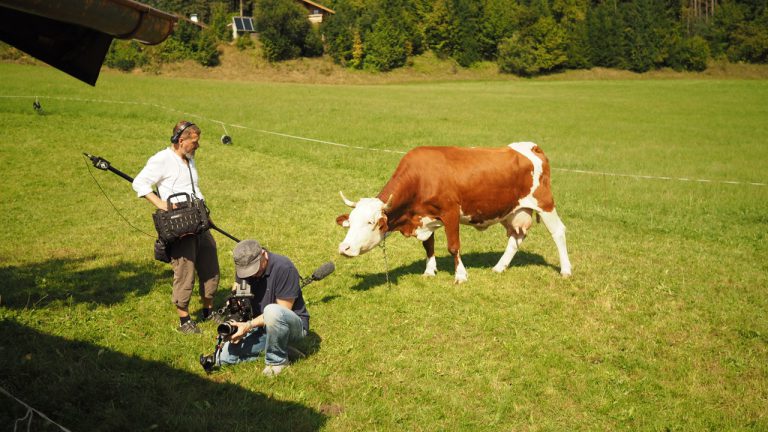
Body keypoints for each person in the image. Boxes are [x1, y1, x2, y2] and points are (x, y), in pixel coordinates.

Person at [132, 120, 220, 334]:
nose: (197, 146)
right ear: (181, 141)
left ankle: (209, 311)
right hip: (179, 224)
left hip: (199, 220)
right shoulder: (162, 159)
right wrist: (162, 204)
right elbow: (139, 183)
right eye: (194, 142)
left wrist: (206, 216)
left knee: (210, 264)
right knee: (185, 270)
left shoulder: (189, 159)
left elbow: (194, 187)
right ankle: (185, 320)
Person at [218, 239, 309, 377]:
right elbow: (239, 295)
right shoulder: (244, 269)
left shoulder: (284, 268)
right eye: (245, 271)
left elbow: (282, 310)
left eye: (254, 269)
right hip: (259, 326)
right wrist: (235, 320)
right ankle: (283, 350)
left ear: (263, 255)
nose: (251, 274)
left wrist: (247, 326)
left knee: (272, 310)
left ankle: (277, 361)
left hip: (290, 326)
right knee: (223, 358)